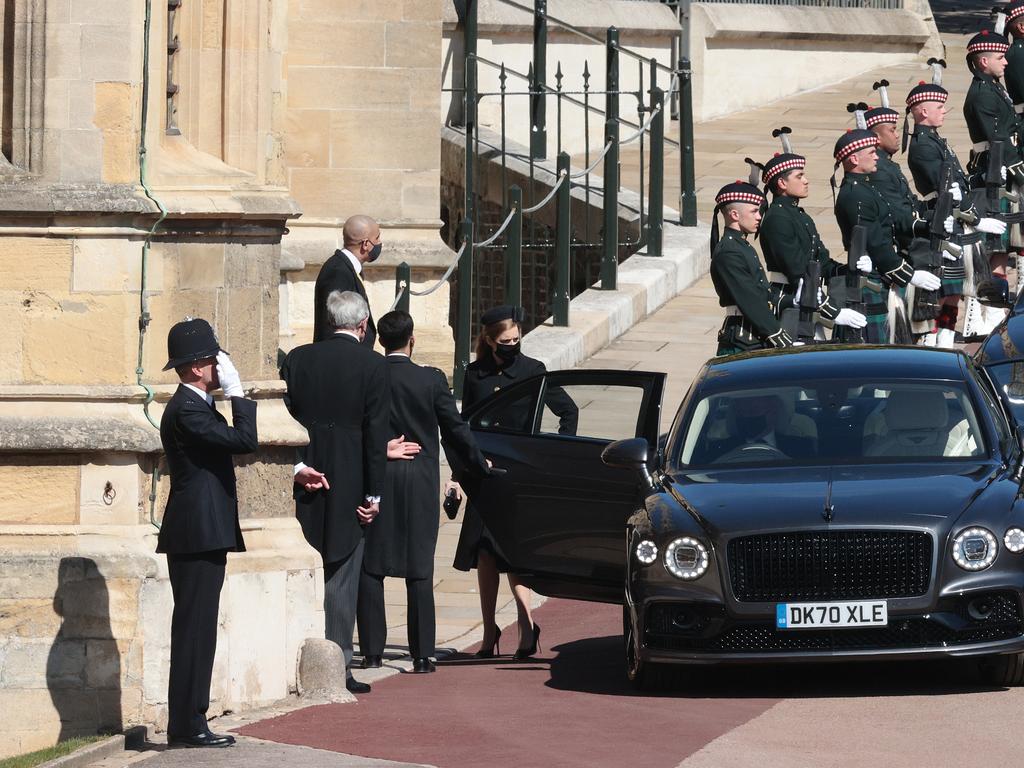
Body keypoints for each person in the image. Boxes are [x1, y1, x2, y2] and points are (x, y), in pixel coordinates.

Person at [356, 311, 493, 674]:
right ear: (412, 340)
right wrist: (478, 465)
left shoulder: (368, 376)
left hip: (378, 474)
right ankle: (421, 655)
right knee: (419, 567)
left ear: (380, 341)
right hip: (418, 480)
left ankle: (371, 651)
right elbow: (455, 430)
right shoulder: (430, 381)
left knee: (372, 565)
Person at [451, 305, 578, 659]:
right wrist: (457, 474)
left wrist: (552, 452)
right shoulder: (475, 374)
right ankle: (490, 629)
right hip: (482, 474)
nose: (512, 345)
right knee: (485, 553)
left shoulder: (532, 371)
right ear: (490, 341)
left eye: (516, 339)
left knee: (513, 552)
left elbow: (569, 411)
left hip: (518, 475)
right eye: (505, 341)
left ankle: (525, 623)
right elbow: (466, 427)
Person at [280, 291, 389, 695]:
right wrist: (374, 495)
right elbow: (377, 434)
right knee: (342, 575)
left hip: (305, 472)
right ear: (362, 326)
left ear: (329, 322)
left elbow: (283, 415)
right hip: (351, 478)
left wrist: (295, 465)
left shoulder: (298, 359)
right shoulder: (374, 365)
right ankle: (337, 664)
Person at [157, 319, 257, 748]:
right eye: (216, 360)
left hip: (203, 532)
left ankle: (191, 718)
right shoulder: (188, 411)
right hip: (196, 533)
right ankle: (187, 722)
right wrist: (238, 395)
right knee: (194, 628)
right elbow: (244, 441)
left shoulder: (196, 406)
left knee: (199, 627)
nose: (222, 367)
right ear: (198, 367)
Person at [905, 76, 1007, 346]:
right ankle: (934, 342)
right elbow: (945, 189)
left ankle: (946, 340)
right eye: (938, 107)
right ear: (923, 111)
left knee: (953, 292)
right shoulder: (923, 146)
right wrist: (977, 217)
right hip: (941, 220)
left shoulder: (935, 140)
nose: (943, 111)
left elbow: (957, 182)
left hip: (953, 218)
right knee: (940, 293)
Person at [833, 128, 940, 343]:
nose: (876, 156)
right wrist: (908, 274)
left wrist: (926, 225)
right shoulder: (856, 195)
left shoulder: (867, 187)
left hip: (880, 272)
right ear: (854, 158)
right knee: (875, 347)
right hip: (870, 274)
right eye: (871, 152)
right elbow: (875, 243)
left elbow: (892, 220)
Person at [757, 130, 866, 339]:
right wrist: (833, 311)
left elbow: (822, 262)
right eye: (799, 176)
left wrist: (849, 269)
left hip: (810, 297)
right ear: (781, 183)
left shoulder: (799, 215)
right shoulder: (778, 219)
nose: (806, 180)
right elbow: (797, 271)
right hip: (792, 299)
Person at [963, 28, 1022, 332]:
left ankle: (996, 312)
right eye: (1000, 57)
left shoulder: (993, 86)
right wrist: (1020, 171)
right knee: (992, 248)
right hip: (993, 172)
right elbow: (997, 137)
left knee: (999, 248)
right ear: (983, 61)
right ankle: (982, 315)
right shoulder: (982, 93)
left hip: (1001, 167)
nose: (1006, 62)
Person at [709, 180, 794, 354]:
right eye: (754, 211)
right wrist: (778, 335)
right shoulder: (729, 252)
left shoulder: (742, 246)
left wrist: (793, 301)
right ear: (734, 214)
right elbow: (750, 299)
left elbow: (763, 292)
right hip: (742, 339)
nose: (759, 216)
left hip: (754, 335)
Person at [312, 215, 382, 346]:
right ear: (366, 244)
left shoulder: (347, 267)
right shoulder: (337, 271)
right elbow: (336, 324)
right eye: (377, 238)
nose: (379, 243)